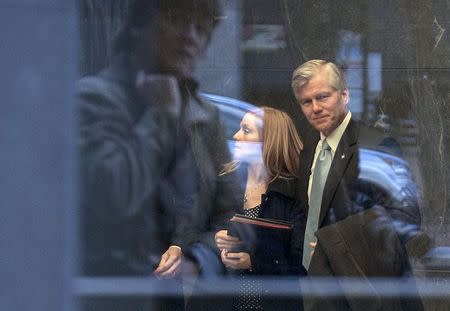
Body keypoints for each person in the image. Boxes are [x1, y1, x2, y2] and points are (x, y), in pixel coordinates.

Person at [78, 0, 241, 282]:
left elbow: (232, 214)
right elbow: (111, 196)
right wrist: (161, 115)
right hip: (108, 293)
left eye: (201, 28)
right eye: (177, 19)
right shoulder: (94, 100)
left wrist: (196, 260)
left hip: (175, 296)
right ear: (141, 26)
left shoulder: (205, 116)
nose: (191, 35)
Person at [291, 60, 424, 310]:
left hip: (369, 293)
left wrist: (334, 242)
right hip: (317, 291)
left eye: (323, 97)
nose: (315, 108)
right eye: (306, 102)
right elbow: (305, 215)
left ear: (344, 95)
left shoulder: (376, 145)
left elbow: (407, 217)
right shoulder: (309, 150)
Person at [214, 107, 306, 310]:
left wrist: (254, 262)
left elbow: (301, 264)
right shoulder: (229, 184)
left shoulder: (292, 194)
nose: (236, 135)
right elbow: (204, 230)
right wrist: (218, 238)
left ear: (269, 141)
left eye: (246, 130)